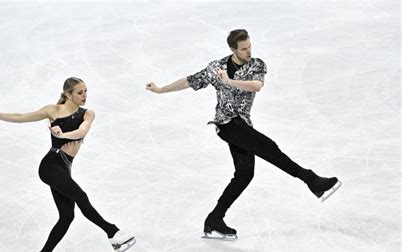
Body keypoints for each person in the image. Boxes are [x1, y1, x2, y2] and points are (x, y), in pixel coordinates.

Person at [145, 29, 341, 240]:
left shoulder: (257, 65)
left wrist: (230, 81)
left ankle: (214, 219)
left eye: (250, 46)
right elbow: (190, 80)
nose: (249, 51)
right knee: (269, 147)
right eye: (244, 49)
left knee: (245, 174)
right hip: (227, 124)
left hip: (243, 125)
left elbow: (256, 86)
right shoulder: (216, 67)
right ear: (232, 49)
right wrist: (160, 89)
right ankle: (311, 180)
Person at [0, 77, 135, 252]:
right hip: (51, 165)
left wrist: (63, 135)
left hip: (65, 167)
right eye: (79, 92)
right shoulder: (53, 110)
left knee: (67, 216)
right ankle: (112, 232)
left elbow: (82, 131)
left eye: (86, 91)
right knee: (81, 196)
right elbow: (20, 116)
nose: (84, 95)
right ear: (68, 94)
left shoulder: (88, 114)